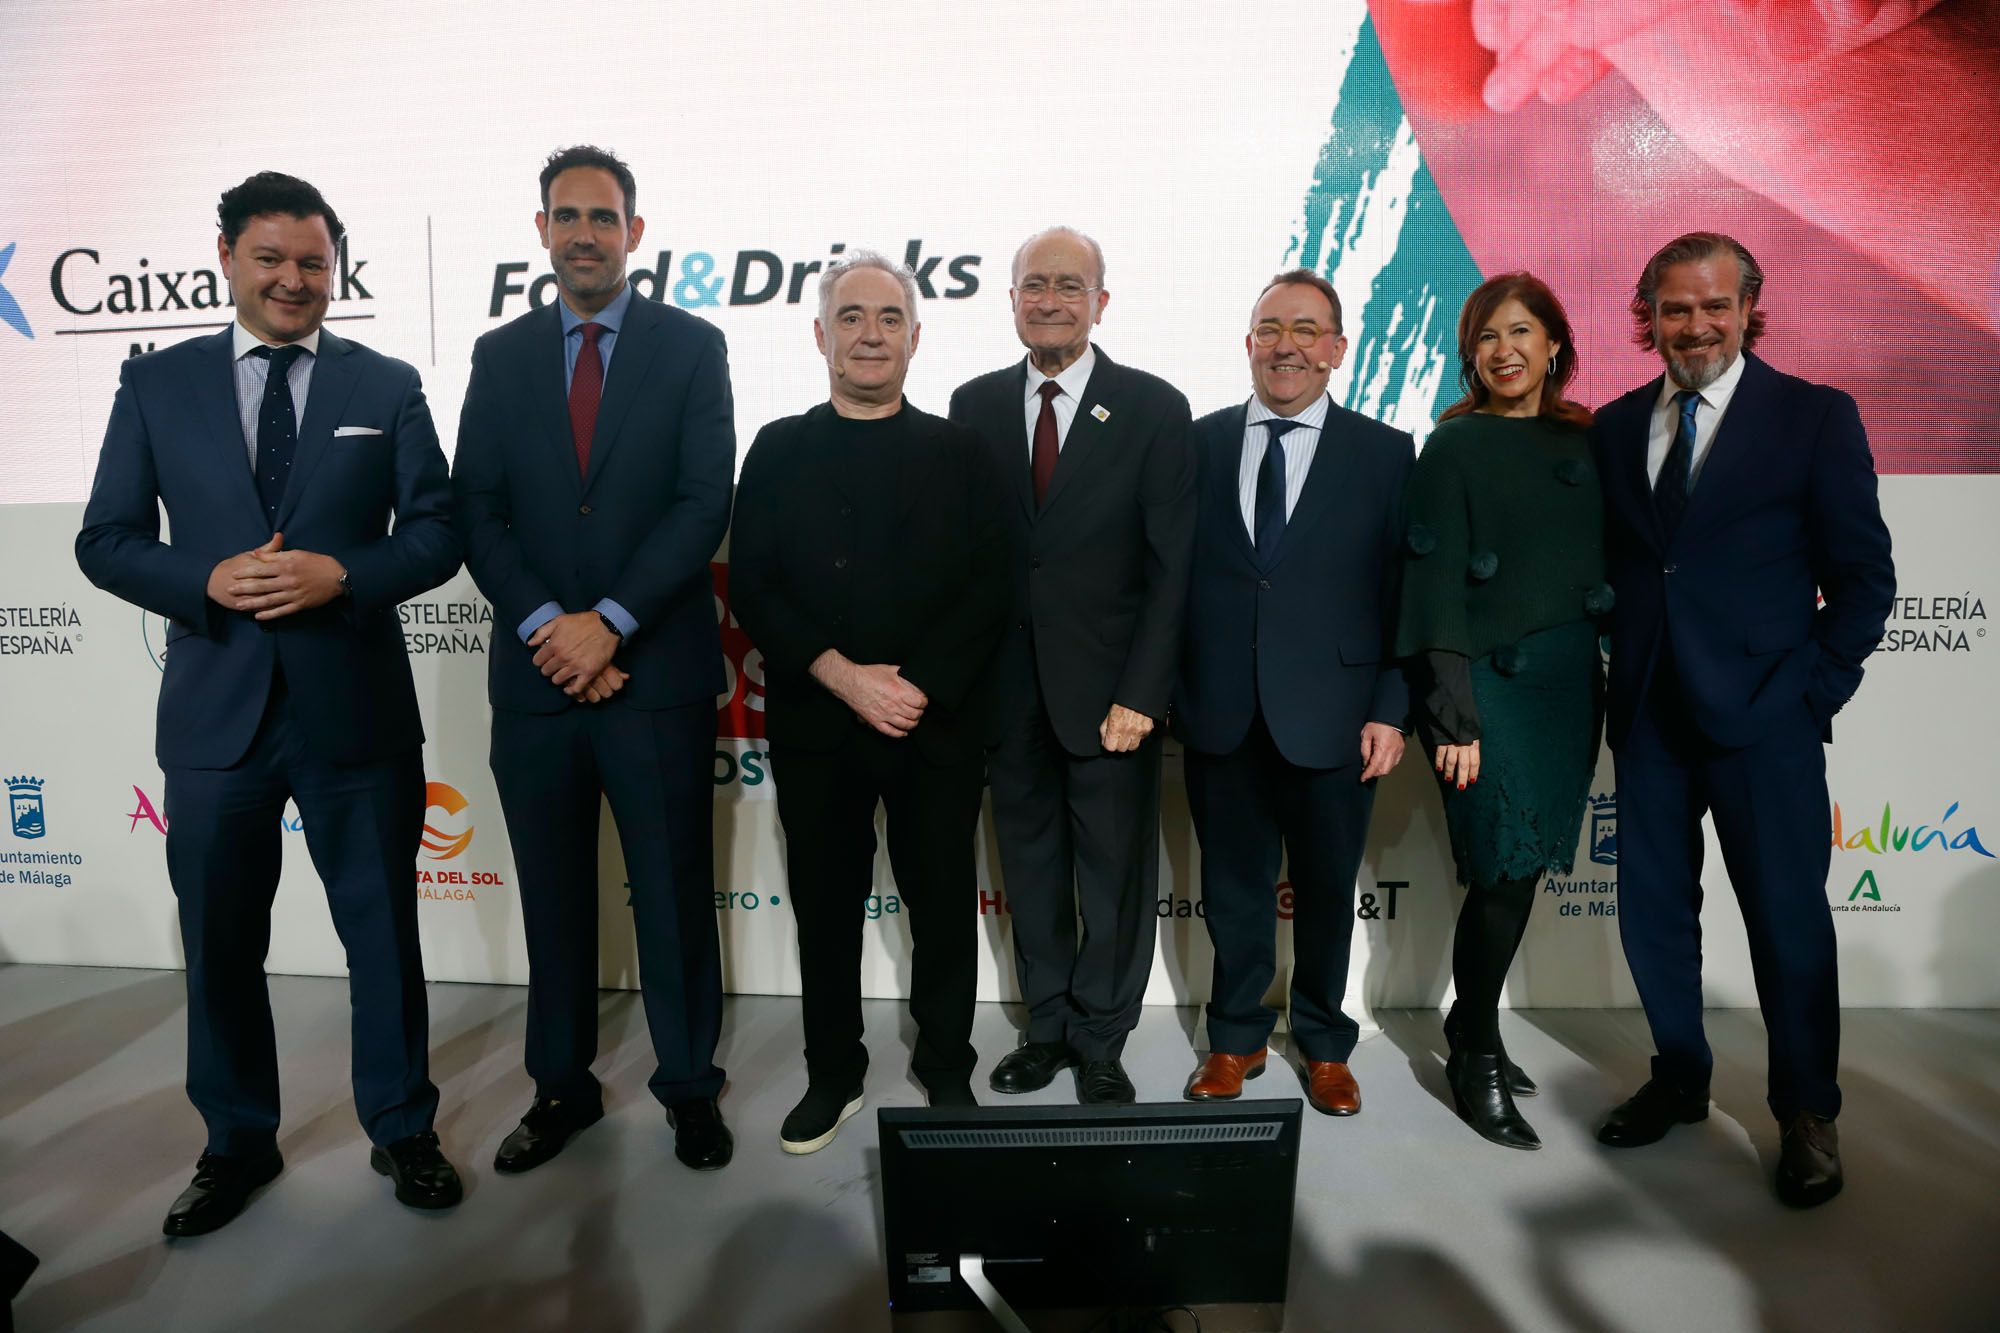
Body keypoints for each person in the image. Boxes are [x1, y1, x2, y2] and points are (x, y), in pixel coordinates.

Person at [75, 172, 464, 1234]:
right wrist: (198, 581)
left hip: (355, 713)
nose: (295, 280)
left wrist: (346, 574)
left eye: (313, 263)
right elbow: (104, 539)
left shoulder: (383, 384)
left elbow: (436, 529)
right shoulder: (156, 384)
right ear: (227, 258)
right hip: (216, 717)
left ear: (333, 269)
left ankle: (402, 1125)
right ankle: (236, 1142)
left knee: (382, 938)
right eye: (272, 259)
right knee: (221, 944)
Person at [1592, 232, 1894, 1206]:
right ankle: (1679, 1077)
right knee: (1650, 921)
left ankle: (1806, 1113)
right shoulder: (1610, 426)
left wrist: (1813, 692)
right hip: (1644, 717)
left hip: (1765, 719)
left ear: (1747, 307)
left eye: (1712, 306)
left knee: (1786, 924)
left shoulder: (1812, 417)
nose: (1694, 326)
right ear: (1649, 317)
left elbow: (1860, 578)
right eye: (1674, 309)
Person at [451, 145, 736, 1174]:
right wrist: (548, 626)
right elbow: (474, 508)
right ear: (541, 231)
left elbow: (703, 499)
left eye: (602, 217)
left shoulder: (691, 346)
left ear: (634, 233)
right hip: (536, 685)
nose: (583, 233)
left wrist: (608, 621)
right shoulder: (500, 353)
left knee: (670, 897)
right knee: (553, 901)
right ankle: (559, 1088)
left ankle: (690, 1087)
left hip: (650, 677)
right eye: (565, 216)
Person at [730, 252, 1009, 1152]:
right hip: (820, 723)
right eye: (851, 317)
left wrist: (916, 686)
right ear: (821, 335)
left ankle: (945, 1067)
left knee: (939, 907)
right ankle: (834, 1072)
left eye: (889, 318)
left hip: (935, 725)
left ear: (915, 337)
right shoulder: (777, 447)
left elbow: (988, 587)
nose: (870, 334)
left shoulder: (962, 450)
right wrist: (845, 676)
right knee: (824, 905)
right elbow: (757, 586)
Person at [947, 227, 1195, 1105]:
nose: (1049, 299)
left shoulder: (1155, 408)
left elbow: (1173, 572)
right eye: (1033, 285)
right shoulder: (970, 404)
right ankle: (1045, 1027)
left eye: (1068, 285)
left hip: (1111, 701)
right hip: (1008, 697)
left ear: (1101, 300)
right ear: (1011, 298)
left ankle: (1101, 1037)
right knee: (1033, 870)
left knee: (1114, 878)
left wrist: (1143, 693)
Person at [1175, 270, 1411, 1117]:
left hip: (1338, 719)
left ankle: (1322, 1042)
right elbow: (1170, 579)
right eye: (1270, 327)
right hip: (1220, 711)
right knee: (1234, 890)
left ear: (1338, 350)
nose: (1287, 345)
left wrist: (1391, 704)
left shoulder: (1386, 453)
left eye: (1307, 330)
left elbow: (1401, 594)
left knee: (1324, 891)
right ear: (1247, 344)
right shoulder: (1196, 444)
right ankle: (1235, 1039)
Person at [1397, 271, 1606, 1149]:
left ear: (1554, 343)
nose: (1505, 350)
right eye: (1487, 337)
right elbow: (1430, 582)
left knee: (1519, 875)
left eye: (1521, 332)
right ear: (1469, 355)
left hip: (1567, 687)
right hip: (1485, 690)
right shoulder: (1452, 447)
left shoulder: (1591, 439)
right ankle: (1472, 1049)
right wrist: (1453, 717)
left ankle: (1470, 1028)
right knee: (1502, 873)